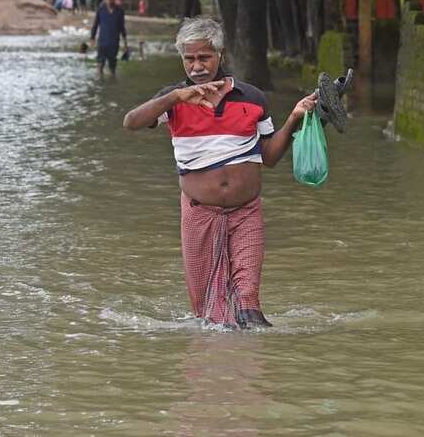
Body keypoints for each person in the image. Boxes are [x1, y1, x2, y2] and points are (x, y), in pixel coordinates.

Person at [122, 17, 318, 329]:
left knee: (248, 302)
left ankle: (254, 357)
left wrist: (294, 117)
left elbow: (269, 157)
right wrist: (175, 97)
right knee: (210, 315)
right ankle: (215, 357)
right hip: (199, 214)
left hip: (246, 212)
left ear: (220, 55)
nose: (197, 66)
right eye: (189, 59)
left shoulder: (252, 98)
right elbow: (131, 123)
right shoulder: (172, 101)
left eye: (204, 57)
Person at [89, 0, 128, 77]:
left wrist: (125, 43)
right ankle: (100, 81)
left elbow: (122, 27)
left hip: (114, 42)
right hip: (102, 42)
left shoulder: (120, 11)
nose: (109, 1)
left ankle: (112, 81)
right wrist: (92, 37)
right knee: (100, 65)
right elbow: (95, 24)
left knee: (112, 67)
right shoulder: (100, 9)